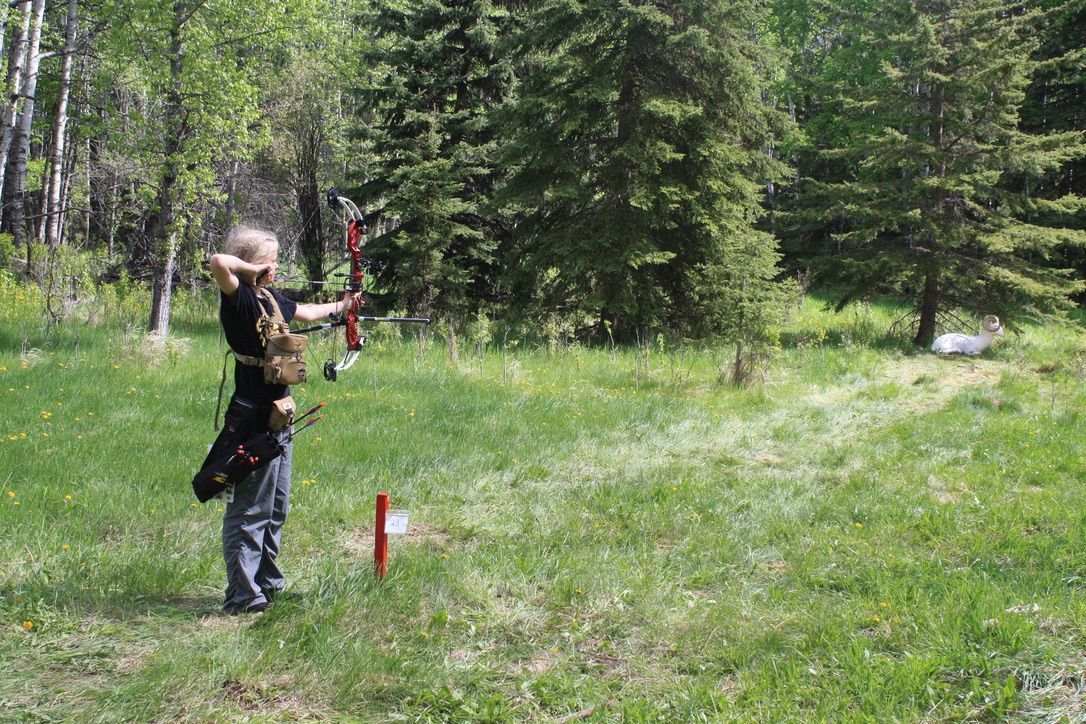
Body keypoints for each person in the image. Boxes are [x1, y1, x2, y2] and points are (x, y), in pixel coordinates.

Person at [208, 227, 357, 615]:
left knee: (276, 505)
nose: (276, 267)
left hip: (280, 414)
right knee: (249, 509)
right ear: (251, 263)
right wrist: (249, 270)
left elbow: (305, 312)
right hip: (252, 417)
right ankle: (242, 595)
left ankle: (267, 583)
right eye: (269, 260)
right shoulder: (238, 296)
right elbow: (218, 262)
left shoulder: (269, 298)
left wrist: (343, 306)